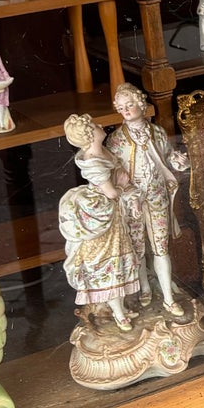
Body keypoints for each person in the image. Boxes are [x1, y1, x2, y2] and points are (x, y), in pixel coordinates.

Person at [104, 82, 189, 319]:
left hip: (157, 195)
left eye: (130, 104)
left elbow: (168, 157)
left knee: (161, 247)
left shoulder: (158, 132)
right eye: (121, 107)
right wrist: (126, 191)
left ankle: (169, 299)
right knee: (137, 247)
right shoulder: (115, 140)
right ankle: (145, 287)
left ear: (141, 104)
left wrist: (179, 162)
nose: (126, 110)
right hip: (132, 202)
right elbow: (113, 173)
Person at [59, 114, 142, 331]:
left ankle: (121, 309)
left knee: (121, 262)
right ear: (90, 135)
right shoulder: (94, 160)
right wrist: (125, 187)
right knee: (110, 263)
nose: (100, 126)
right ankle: (119, 313)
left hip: (113, 216)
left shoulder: (99, 151)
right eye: (95, 126)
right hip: (104, 215)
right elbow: (112, 193)